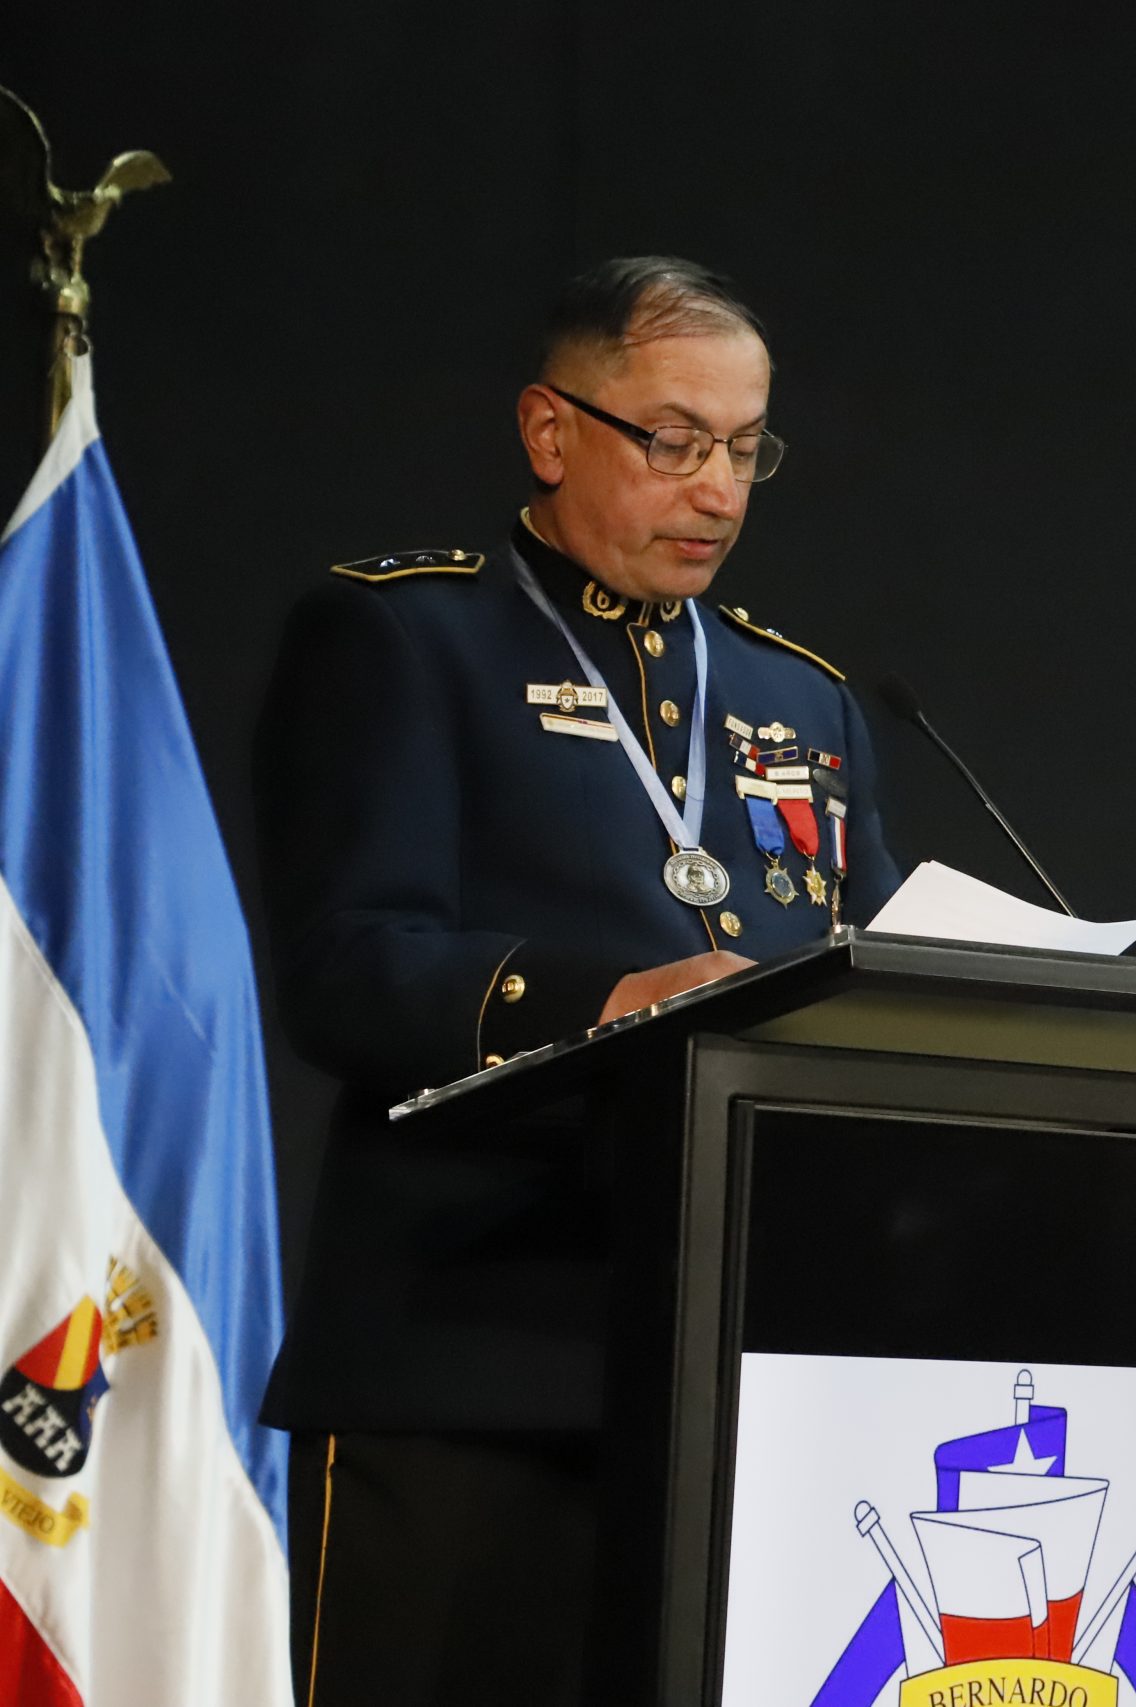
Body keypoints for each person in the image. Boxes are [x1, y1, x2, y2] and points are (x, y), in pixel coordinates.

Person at [253, 256, 899, 1705]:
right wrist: (608, 1006)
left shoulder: (805, 699)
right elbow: (349, 967)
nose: (717, 489)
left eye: (745, 448)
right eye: (673, 441)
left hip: (740, 1378)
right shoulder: (404, 636)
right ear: (551, 432)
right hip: (465, 1358)